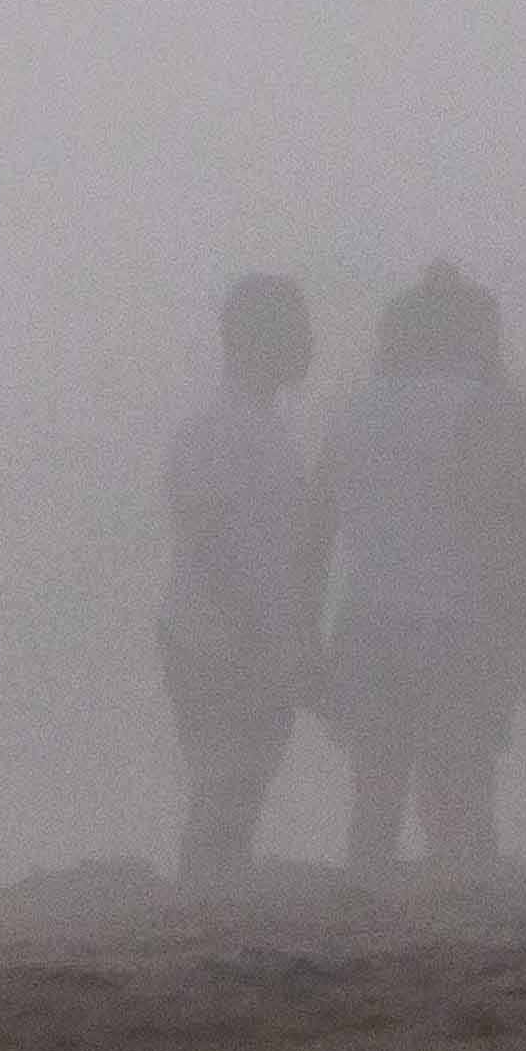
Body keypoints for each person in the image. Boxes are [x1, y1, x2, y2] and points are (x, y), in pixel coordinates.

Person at [312, 261, 526, 872]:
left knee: (375, 799)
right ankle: (461, 920)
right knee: (462, 803)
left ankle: (367, 916)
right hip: (464, 628)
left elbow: (315, 533)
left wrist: (305, 638)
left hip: (369, 627)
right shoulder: (495, 408)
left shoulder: (356, 411)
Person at [155, 272, 323, 881]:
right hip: (215, 640)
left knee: (239, 788)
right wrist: (260, 631)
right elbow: (207, 533)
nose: (308, 342)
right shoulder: (218, 424)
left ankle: (213, 897)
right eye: (294, 328)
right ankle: (202, 900)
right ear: (257, 337)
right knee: (225, 783)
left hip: (243, 636)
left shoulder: (261, 424)